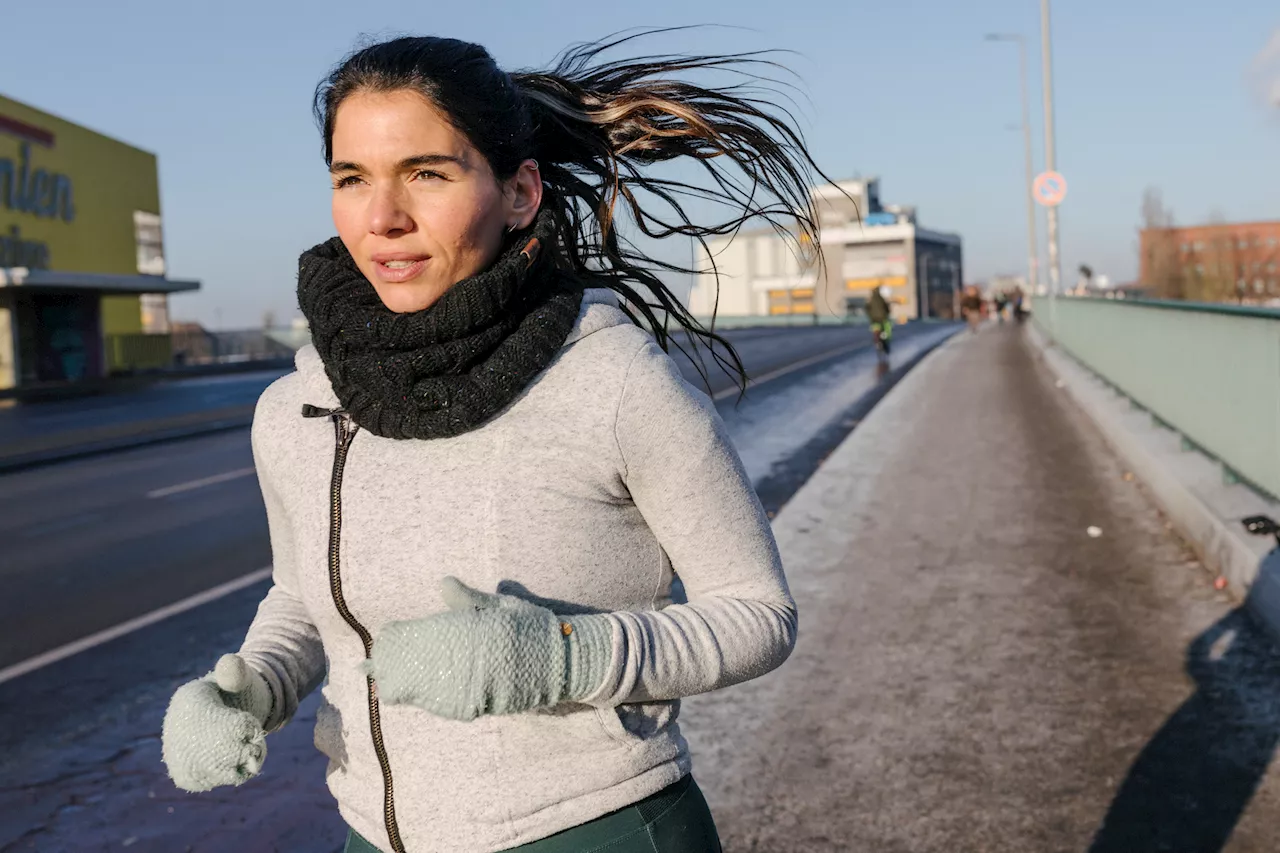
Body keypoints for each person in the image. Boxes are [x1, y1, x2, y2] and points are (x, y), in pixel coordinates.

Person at [160, 33, 830, 853]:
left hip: (592, 830)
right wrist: (252, 686)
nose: (383, 218)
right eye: (353, 178)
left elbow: (759, 615)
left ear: (519, 192)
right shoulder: (295, 408)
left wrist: (562, 658)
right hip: (371, 835)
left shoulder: (614, 381)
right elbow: (304, 600)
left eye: (427, 173)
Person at [866, 285, 892, 358]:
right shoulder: (881, 299)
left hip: (874, 319)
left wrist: (870, 315)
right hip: (882, 319)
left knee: (875, 331)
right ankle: (885, 341)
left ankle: (877, 342)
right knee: (887, 330)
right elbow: (886, 308)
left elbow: (867, 308)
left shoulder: (870, 300)